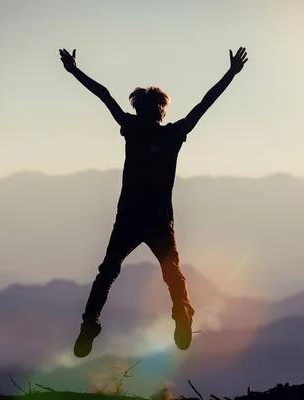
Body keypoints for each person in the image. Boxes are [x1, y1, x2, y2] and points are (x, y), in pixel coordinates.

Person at [59, 46, 248, 358]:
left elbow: (104, 94)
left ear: (136, 110)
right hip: (159, 220)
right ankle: (182, 313)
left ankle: (90, 323)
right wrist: (230, 73)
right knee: (172, 271)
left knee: (108, 272)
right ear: (162, 111)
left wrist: (74, 71)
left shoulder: (131, 129)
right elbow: (204, 104)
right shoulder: (174, 134)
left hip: (129, 219)